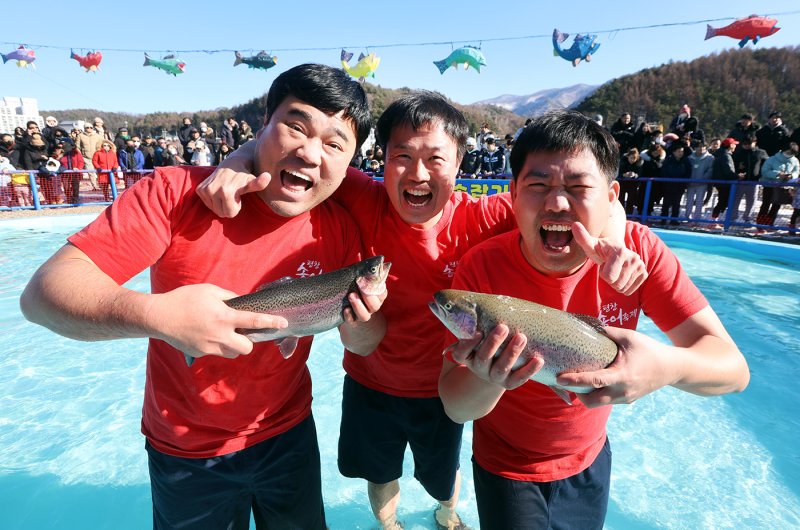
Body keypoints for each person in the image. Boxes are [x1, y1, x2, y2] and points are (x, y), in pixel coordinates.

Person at [196, 91, 646, 530]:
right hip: (370, 382)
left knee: (442, 475)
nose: (417, 173)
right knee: (379, 471)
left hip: (442, 391)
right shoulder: (366, 199)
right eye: (402, 156)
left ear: (459, 164)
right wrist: (235, 161)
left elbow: (585, 201)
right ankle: (387, 522)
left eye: (435, 159)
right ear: (383, 160)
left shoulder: (485, 215)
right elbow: (293, 156)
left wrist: (619, 240)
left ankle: (447, 513)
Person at [20, 63, 381, 530]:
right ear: (262, 125)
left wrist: (361, 319)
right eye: (296, 126)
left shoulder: (338, 228)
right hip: (185, 449)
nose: (311, 154)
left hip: (289, 434)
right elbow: (42, 294)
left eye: (335, 144)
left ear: (350, 160)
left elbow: (365, 343)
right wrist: (156, 314)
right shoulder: (172, 194)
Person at [437, 110, 750, 530]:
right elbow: (456, 408)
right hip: (506, 465)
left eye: (579, 187)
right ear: (513, 193)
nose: (557, 202)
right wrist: (488, 375)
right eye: (538, 185)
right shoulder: (482, 268)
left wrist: (664, 368)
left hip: (590, 458)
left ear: (611, 196)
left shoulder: (641, 255)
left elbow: (733, 370)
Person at [757, 140, 799, 228]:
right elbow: (765, 171)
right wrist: (778, 174)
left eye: (792, 153)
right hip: (769, 185)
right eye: (788, 152)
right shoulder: (772, 159)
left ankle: (769, 223)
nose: (789, 154)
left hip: (783, 187)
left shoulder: (795, 161)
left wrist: (791, 176)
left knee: (776, 205)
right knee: (766, 204)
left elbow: (796, 171)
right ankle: (760, 224)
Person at [731, 134, 767, 223]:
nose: (746, 145)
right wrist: (737, 175)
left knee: (751, 202)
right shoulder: (738, 153)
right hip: (740, 181)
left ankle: (747, 218)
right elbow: (733, 166)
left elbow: (765, 165)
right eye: (744, 143)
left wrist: (760, 176)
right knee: (735, 200)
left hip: (754, 182)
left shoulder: (760, 153)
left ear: (754, 142)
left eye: (749, 143)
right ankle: (732, 217)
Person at [659, 142, 691, 225]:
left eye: (682, 151)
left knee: (676, 203)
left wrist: (684, 182)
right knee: (666, 203)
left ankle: (674, 219)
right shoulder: (668, 160)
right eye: (679, 151)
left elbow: (688, 172)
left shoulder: (685, 161)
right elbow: (663, 171)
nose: (680, 153)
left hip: (679, 186)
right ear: (674, 152)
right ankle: (663, 219)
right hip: (668, 185)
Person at [710, 137, 739, 225]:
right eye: (734, 144)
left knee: (722, 201)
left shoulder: (718, 154)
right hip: (725, 183)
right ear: (730, 145)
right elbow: (728, 171)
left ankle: (715, 219)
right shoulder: (726, 156)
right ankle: (714, 220)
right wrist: (737, 176)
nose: (735, 146)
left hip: (719, 182)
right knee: (723, 202)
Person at [686, 140, 714, 223]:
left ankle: (697, 218)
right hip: (690, 183)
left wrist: (703, 179)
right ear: (695, 148)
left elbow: (710, 170)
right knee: (689, 201)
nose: (701, 149)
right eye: (699, 147)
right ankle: (688, 217)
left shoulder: (710, 158)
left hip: (702, 183)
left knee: (699, 201)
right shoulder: (690, 157)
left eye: (703, 147)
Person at [617, 147, 643, 215]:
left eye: (634, 158)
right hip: (622, 183)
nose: (632, 160)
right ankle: (619, 213)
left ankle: (629, 214)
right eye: (631, 158)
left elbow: (640, 173)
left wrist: (635, 175)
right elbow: (618, 172)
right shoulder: (622, 161)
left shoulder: (639, 163)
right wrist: (623, 175)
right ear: (628, 156)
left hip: (632, 184)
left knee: (631, 200)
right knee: (620, 199)